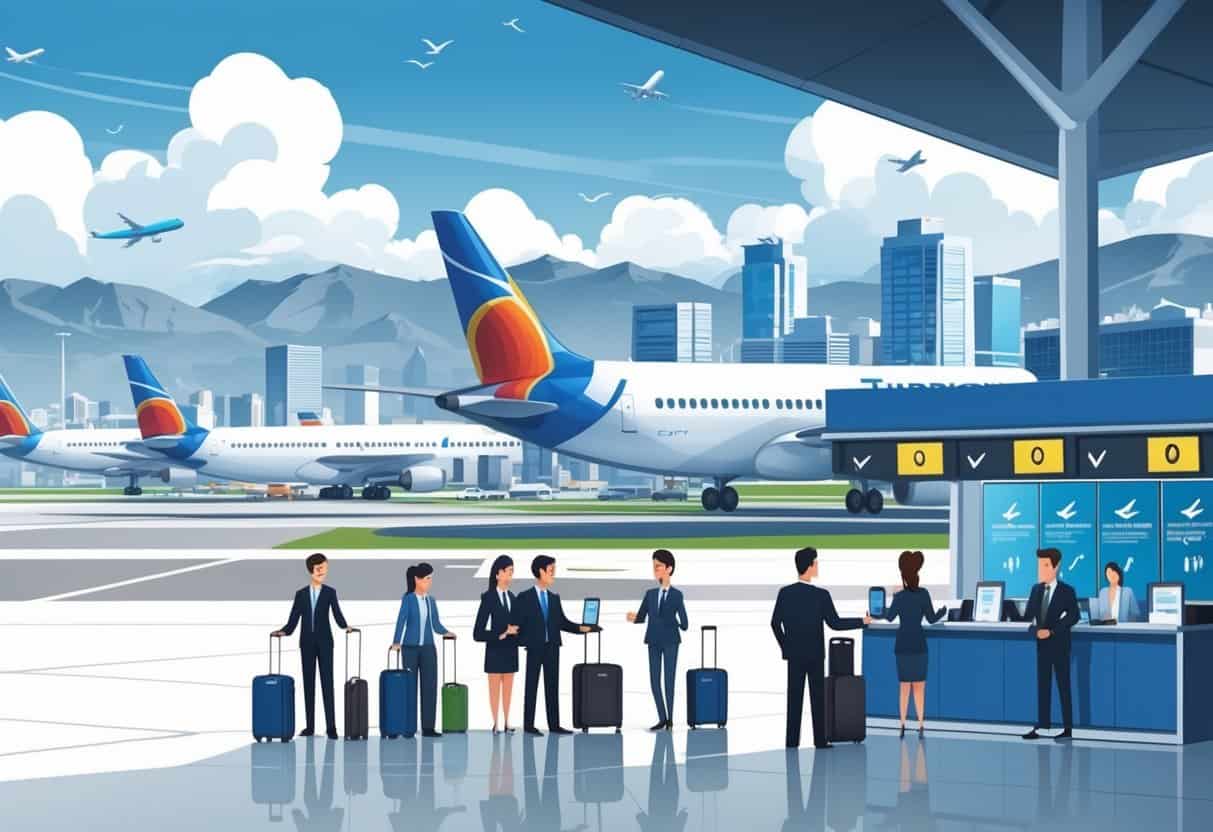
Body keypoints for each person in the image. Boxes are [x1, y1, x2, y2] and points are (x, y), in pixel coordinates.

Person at [771, 546, 871, 749]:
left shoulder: (785, 593)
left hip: (795, 656)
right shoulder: (821, 595)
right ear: (809, 566)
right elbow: (835, 623)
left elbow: (775, 623)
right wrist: (862, 620)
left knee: (794, 699)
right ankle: (820, 740)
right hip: (816, 655)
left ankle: (791, 742)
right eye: (815, 562)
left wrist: (786, 647)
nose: (817, 565)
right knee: (818, 699)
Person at [273, 553, 352, 739]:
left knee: (327, 683)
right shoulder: (300, 595)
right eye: (318, 568)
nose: (322, 571)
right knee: (308, 684)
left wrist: (345, 626)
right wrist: (284, 631)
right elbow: (293, 619)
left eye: (324, 567)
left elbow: (337, 614)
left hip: (325, 643)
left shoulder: (330, 592)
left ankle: (331, 727)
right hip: (306, 643)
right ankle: (310, 726)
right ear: (311, 570)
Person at [511, 555, 591, 736]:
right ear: (541, 571)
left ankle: (554, 725)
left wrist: (581, 628)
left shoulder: (554, 598)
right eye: (551, 570)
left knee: (552, 686)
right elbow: (516, 623)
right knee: (531, 686)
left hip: (552, 647)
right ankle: (529, 725)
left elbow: (562, 622)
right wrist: (518, 640)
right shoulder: (525, 597)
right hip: (534, 647)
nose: (553, 573)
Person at [883, 550, 947, 738]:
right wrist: (944, 610)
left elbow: (889, 617)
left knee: (904, 687)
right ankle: (920, 725)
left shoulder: (900, 596)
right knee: (919, 687)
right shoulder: (923, 594)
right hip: (919, 644)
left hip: (902, 644)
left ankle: (902, 724)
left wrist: (892, 596)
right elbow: (932, 617)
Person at [1021, 547, 1080, 742]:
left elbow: (1074, 616)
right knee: (1042, 686)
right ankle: (1043, 724)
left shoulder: (1067, 591)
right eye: (1040, 565)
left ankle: (1067, 728)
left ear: (1056, 567)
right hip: (1041, 646)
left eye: (1045, 565)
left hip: (1060, 645)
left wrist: (1052, 631)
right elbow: (1029, 616)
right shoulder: (1036, 589)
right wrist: (1033, 629)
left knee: (1064, 686)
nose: (1041, 569)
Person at [390, 562, 455, 738]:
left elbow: (435, 623)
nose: (429, 582)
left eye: (430, 579)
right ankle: (409, 727)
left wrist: (446, 632)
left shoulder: (431, 601)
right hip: (409, 649)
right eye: (427, 579)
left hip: (428, 649)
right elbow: (401, 620)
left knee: (430, 687)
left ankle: (428, 728)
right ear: (417, 580)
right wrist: (396, 641)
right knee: (409, 688)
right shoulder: (408, 599)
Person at [627, 549, 689, 731]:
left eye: (659, 566)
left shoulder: (677, 595)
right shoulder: (650, 594)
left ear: (669, 569)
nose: (656, 570)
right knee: (654, 680)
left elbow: (685, 624)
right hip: (653, 640)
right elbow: (642, 615)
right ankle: (662, 717)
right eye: (654, 567)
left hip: (671, 641)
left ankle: (670, 719)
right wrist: (633, 617)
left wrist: (674, 621)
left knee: (669, 680)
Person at [474, 555, 522, 734]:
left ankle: (508, 721)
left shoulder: (513, 597)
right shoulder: (488, 598)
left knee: (509, 689)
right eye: (509, 571)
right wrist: (502, 633)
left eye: (512, 572)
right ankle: (496, 723)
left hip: (511, 651)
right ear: (498, 573)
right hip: (495, 650)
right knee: (494, 689)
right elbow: (478, 632)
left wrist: (518, 630)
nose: (511, 575)